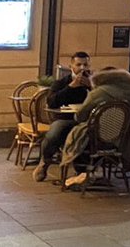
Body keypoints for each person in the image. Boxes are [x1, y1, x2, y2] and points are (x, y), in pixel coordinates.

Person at [59, 68, 130, 188]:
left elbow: (80, 116)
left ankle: (83, 173)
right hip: (123, 140)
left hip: (95, 139)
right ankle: (94, 173)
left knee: (73, 132)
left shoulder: (99, 92)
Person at [33, 52, 91, 182]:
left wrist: (91, 86)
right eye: (78, 64)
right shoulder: (62, 83)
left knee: (87, 134)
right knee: (55, 132)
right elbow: (52, 102)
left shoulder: (93, 82)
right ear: (71, 66)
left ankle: (82, 171)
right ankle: (45, 161)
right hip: (66, 119)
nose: (82, 68)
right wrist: (71, 87)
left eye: (85, 65)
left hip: (87, 121)